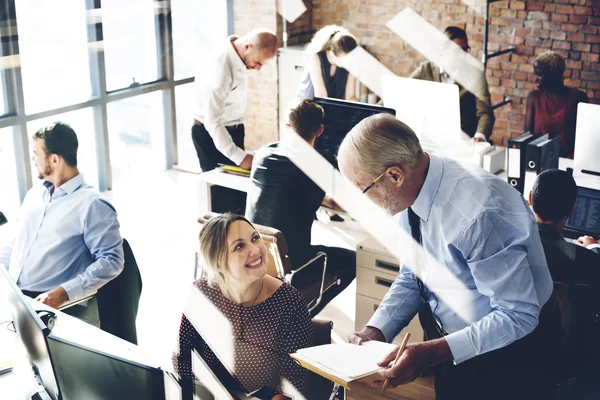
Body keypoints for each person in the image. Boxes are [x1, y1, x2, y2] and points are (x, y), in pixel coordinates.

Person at [338, 114, 562, 399]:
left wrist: (432, 353)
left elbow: (518, 314)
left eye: (363, 189)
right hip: (456, 346)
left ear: (395, 175)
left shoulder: (479, 213)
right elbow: (415, 275)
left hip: (514, 354)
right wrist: (375, 330)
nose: (362, 200)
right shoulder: (409, 191)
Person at [172, 213, 320, 400]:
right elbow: (182, 358)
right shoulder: (202, 292)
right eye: (240, 246)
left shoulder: (289, 302)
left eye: (255, 238)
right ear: (218, 263)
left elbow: (295, 384)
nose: (256, 250)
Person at [0, 123, 124, 326]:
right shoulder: (35, 194)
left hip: (58, 309)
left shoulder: (91, 204)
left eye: (36, 153)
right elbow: (18, 242)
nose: (33, 159)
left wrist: (63, 293)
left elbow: (112, 261)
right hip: (18, 300)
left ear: (54, 159)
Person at [245, 98, 356, 316]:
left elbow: (287, 189)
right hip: (294, 260)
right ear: (320, 130)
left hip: (252, 255)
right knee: (354, 261)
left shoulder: (263, 154)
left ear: (287, 127)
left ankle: (286, 310)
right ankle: (299, 316)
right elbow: (347, 201)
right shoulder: (321, 162)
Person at [192, 29, 277, 213]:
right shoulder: (220, 66)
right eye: (258, 62)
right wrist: (239, 156)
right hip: (211, 135)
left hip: (232, 129)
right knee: (221, 200)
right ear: (247, 47)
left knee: (239, 196)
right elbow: (212, 121)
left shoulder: (240, 53)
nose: (258, 68)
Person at [410, 26, 495, 142]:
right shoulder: (426, 69)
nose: (462, 55)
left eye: (465, 50)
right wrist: (378, 111)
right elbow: (400, 92)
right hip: (429, 138)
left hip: (462, 140)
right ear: (442, 50)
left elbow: (485, 113)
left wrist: (480, 135)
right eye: (457, 51)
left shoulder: (475, 74)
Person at [525, 51, 589, 158]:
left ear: (555, 74)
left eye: (539, 74)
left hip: (569, 161)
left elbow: (585, 138)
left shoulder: (577, 98)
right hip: (540, 159)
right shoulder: (534, 98)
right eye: (535, 74)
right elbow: (527, 137)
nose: (535, 79)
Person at [296, 25, 359, 102]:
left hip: (332, 106)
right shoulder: (315, 57)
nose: (349, 62)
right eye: (346, 58)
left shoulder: (351, 63)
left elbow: (350, 96)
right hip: (308, 106)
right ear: (333, 52)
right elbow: (321, 95)